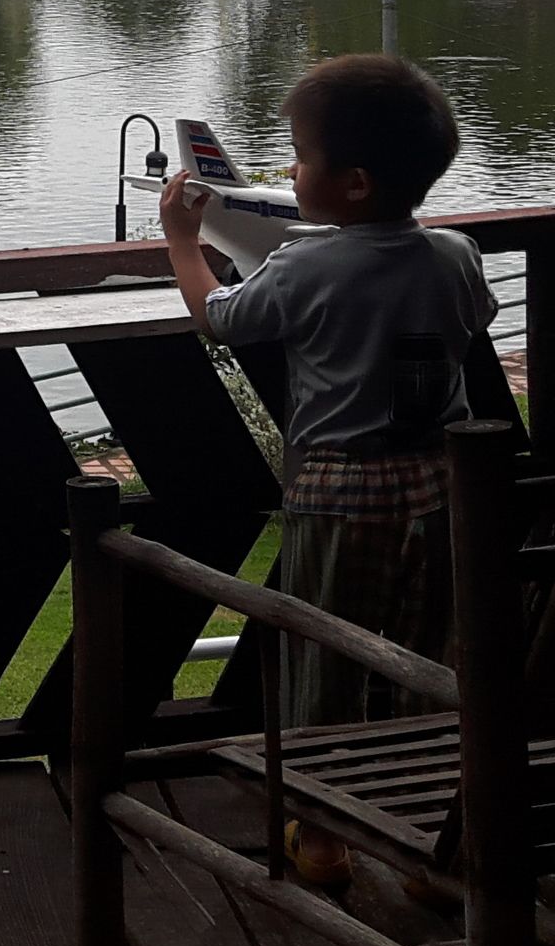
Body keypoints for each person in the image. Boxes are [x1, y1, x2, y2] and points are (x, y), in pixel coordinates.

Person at [156, 54, 491, 746]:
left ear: (355, 184)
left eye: (302, 158)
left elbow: (218, 317)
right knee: (428, 657)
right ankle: (422, 792)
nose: (291, 172)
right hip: (440, 482)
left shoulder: (307, 264)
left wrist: (183, 244)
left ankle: (320, 829)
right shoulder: (456, 253)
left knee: (323, 654)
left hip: (340, 488)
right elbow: (475, 317)